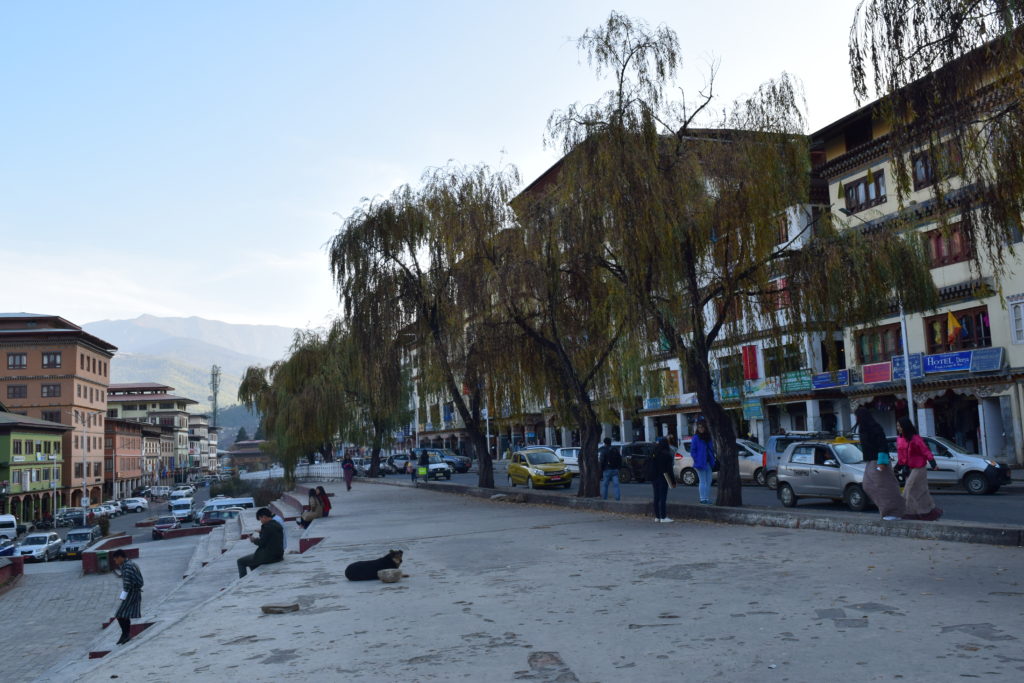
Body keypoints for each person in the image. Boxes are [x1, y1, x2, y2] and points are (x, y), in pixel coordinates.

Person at [856, 406, 905, 520]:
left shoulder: (875, 427)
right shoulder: (863, 428)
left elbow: (882, 444)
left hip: (878, 461)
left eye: (857, 416)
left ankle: (893, 512)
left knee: (885, 486)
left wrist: (882, 462)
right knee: (867, 485)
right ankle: (887, 509)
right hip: (870, 461)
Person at [896, 417, 943, 521]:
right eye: (897, 425)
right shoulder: (899, 439)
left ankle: (907, 513)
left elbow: (926, 451)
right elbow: (901, 456)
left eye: (899, 426)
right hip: (908, 468)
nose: (898, 428)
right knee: (919, 491)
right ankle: (926, 511)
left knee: (909, 489)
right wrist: (897, 467)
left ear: (905, 426)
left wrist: (933, 464)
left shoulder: (916, 439)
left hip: (919, 467)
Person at [237, 508, 285, 578]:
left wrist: (253, 540)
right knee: (252, 563)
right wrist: (262, 532)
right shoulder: (276, 524)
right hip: (278, 554)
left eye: (260, 519)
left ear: (264, 517)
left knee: (240, 562)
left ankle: (241, 581)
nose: (261, 521)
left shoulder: (267, 527)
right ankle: (254, 578)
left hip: (270, 556)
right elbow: (271, 537)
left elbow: (261, 543)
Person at [110, 549, 143, 645]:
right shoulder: (130, 564)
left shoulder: (127, 567)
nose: (116, 562)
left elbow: (127, 584)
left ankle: (125, 634)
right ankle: (125, 634)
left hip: (131, 592)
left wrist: (123, 596)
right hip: (134, 592)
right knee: (125, 614)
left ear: (120, 557)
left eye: (116, 560)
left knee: (119, 614)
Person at [647, 437, 677, 522]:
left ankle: (657, 517)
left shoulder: (654, 453)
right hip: (664, 476)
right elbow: (669, 470)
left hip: (654, 476)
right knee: (663, 497)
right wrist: (673, 482)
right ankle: (663, 517)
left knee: (656, 497)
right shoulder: (667, 454)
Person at [690, 418, 716, 505]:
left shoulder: (708, 437)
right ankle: (702, 499)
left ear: (705, 427)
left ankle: (707, 498)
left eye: (702, 427)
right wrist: (697, 460)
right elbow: (693, 451)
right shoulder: (696, 438)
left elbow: (711, 449)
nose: (700, 429)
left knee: (709, 481)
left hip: (709, 462)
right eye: (699, 427)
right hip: (700, 463)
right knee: (703, 481)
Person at [598, 437, 622, 501]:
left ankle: (604, 498)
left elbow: (602, 461)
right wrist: (618, 467)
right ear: (610, 442)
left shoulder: (604, 450)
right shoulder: (615, 449)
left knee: (605, 485)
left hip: (607, 469)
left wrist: (601, 469)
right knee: (616, 485)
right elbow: (620, 459)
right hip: (615, 469)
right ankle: (617, 498)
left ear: (604, 443)